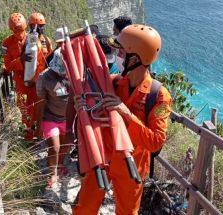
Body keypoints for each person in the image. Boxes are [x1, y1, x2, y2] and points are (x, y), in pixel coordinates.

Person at [71, 24, 172, 215]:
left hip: (131, 166)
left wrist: (126, 114)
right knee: (84, 208)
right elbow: (92, 111)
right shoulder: (114, 82)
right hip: (102, 158)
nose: (116, 55)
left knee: (127, 212)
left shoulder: (158, 96)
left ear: (135, 58)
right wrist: (82, 107)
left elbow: (156, 141)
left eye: (121, 52)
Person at [36, 48, 70, 188]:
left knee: (65, 146)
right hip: (51, 118)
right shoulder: (44, 78)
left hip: (68, 119)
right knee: (54, 147)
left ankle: (60, 163)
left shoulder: (74, 74)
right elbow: (40, 103)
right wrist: (38, 126)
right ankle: (53, 173)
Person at [2, 13, 37, 141]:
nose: (20, 35)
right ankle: (29, 137)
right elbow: (8, 65)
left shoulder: (33, 39)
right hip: (21, 82)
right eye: (17, 32)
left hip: (35, 80)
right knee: (24, 109)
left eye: (21, 31)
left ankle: (39, 134)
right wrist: (20, 60)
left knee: (37, 107)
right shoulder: (6, 43)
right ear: (11, 30)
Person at [28, 12, 53, 80]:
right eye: (40, 26)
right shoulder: (26, 40)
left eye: (42, 26)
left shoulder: (47, 40)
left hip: (45, 77)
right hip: (31, 79)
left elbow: (51, 57)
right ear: (32, 26)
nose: (42, 28)